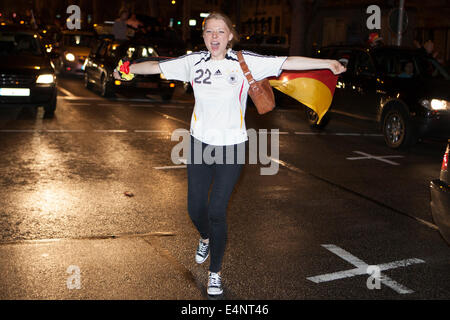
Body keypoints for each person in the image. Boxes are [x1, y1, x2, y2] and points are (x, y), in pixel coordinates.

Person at [114, 12, 346, 297]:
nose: (214, 37)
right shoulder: (193, 62)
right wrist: (127, 67)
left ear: (230, 36)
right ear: (203, 36)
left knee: (216, 211)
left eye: (220, 32)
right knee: (194, 209)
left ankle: (215, 273)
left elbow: (288, 62)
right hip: (199, 144)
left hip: (232, 147)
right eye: (209, 31)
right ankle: (205, 238)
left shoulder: (244, 60)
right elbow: (156, 66)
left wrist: (328, 63)